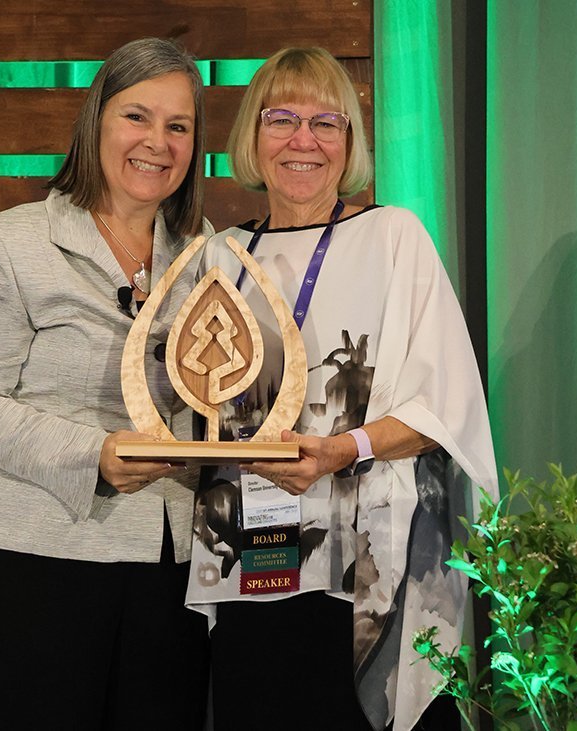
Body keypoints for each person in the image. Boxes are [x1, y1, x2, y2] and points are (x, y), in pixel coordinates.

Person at [185, 47, 498, 731]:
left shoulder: (393, 237)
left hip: (368, 571)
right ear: (253, 135)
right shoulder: (220, 256)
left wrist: (341, 449)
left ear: (349, 142)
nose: (304, 140)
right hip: (250, 564)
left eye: (326, 122)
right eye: (282, 119)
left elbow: (445, 409)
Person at [0, 38, 212, 730]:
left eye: (178, 126)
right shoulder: (10, 242)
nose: (157, 142)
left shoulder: (208, 251)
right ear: (96, 121)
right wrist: (94, 455)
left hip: (171, 572)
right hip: (36, 564)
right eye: (136, 116)